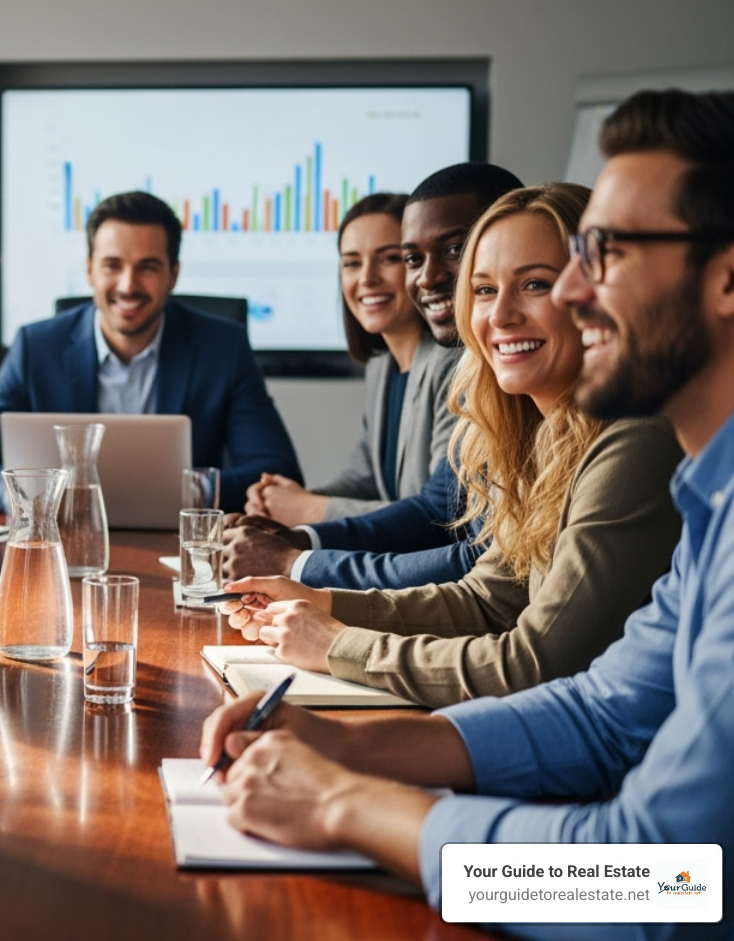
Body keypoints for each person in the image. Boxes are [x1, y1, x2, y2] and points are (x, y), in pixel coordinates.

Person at [200, 89, 734, 940]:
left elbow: (661, 885)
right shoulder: (714, 498)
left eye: (608, 253)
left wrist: (349, 806)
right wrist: (345, 748)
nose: (570, 289)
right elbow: (601, 712)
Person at [220, 183, 683, 707]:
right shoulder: (533, 433)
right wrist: (322, 602)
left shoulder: (633, 439)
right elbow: (489, 600)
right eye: (484, 290)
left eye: (534, 284)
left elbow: (538, 661)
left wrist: (334, 643)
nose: (500, 315)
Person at [224, 163, 525, 589]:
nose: (429, 275)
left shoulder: (462, 365)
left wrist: (306, 525)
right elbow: (381, 482)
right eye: (412, 258)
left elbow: (444, 523)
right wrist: (292, 528)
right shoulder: (386, 363)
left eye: (387, 259)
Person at [0, 190, 300, 512]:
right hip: (63, 543)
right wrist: (26, 495)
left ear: (173, 275)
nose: (128, 285)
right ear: (89, 270)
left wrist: (186, 490)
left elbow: (277, 472)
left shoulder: (223, 348)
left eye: (147, 267)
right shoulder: (36, 347)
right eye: (112, 265)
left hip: (176, 547)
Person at [245, 192, 460, 524]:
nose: (366, 278)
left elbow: (440, 515)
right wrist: (283, 502)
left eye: (389, 258)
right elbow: (365, 480)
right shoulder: (381, 365)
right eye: (352, 263)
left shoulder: (452, 363)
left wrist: (307, 509)